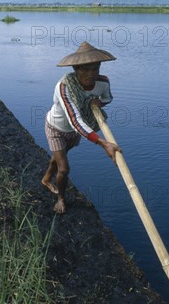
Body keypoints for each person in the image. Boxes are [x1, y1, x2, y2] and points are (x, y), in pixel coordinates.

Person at [42, 41, 122, 214]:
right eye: (85, 69)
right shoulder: (64, 87)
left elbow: (108, 98)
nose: (90, 74)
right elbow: (75, 120)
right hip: (56, 128)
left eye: (95, 69)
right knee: (64, 168)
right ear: (75, 69)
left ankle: (46, 178)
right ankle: (61, 199)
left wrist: (98, 102)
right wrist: (104, 143)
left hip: (75, 132)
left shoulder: (103, 82)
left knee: (58, 157)